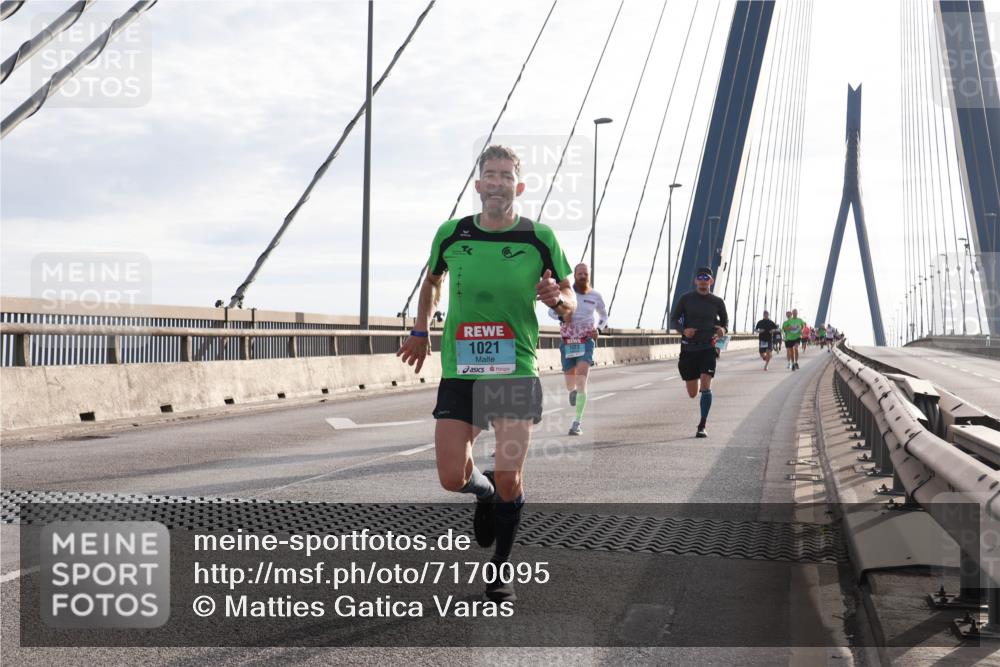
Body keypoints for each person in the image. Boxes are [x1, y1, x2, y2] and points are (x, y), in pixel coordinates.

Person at [396, 145, 575, 603]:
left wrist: (555, 299)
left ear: (519, 186)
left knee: (512, 477)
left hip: (515, 369)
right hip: (462, 368)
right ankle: (483, 493)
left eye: (505, 175)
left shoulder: (540, 238)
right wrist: (421, 328)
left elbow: (571, 306)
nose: (496, 182)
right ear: (478, 185)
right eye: (488, 175)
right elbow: (432, 281)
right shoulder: (451, 234)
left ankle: (499, 574)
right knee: (452, 477)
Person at [669, 267, 729, 438]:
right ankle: (694, 387)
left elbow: (725, 324)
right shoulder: (686, 299)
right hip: (689, 348)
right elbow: (674, 319)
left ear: (711, 281)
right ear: (696, 280)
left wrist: (722, 330)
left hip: (708, 347)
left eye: (706, 278)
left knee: (705, 385)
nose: (703, 280)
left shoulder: (717, 302)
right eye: (700, 277)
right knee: (692, 393)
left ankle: (702, 425)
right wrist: (683, 330)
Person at [548, 262, 607, 436]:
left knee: (582, 381)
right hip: (567, 341)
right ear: (574, 275)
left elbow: (603, 315)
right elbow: (551, 311)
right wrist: (562, 314)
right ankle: (572, 392)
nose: (583, 276)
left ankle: (577, 423)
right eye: (579, 273)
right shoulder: (565, 294)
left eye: (585, 274)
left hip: (586, 341)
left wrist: (599, 329)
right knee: (570, 384)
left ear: (589, 276)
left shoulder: (595, 295)